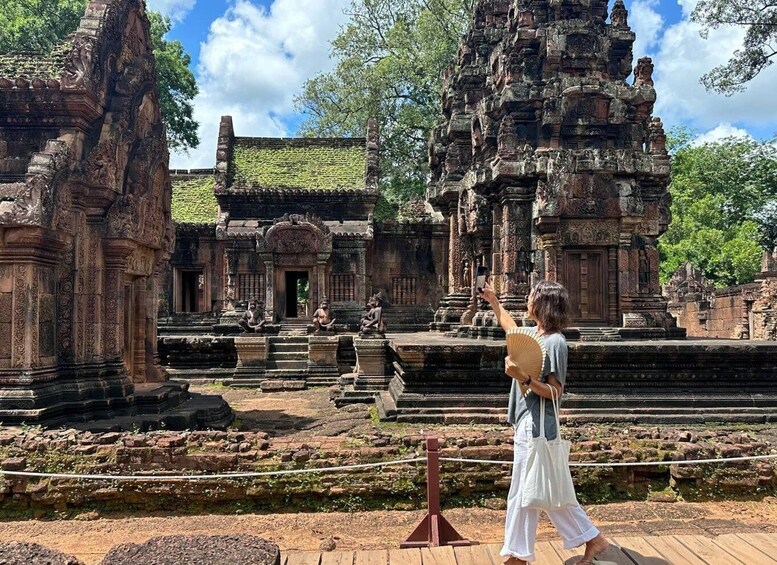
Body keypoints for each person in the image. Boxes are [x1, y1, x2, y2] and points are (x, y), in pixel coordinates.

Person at [480, 280, 609, 565]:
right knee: (545, 490)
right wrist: (493, 301)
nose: (527, 301)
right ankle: (593, 539)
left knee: (525, 492)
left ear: (543, 304)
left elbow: (555, 392)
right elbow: (510, 328)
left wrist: (524, 378)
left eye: (530, 297)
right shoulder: (534, 335)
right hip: (526, 422)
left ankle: (517, 556)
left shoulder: (555, 342)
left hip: (539, 425)